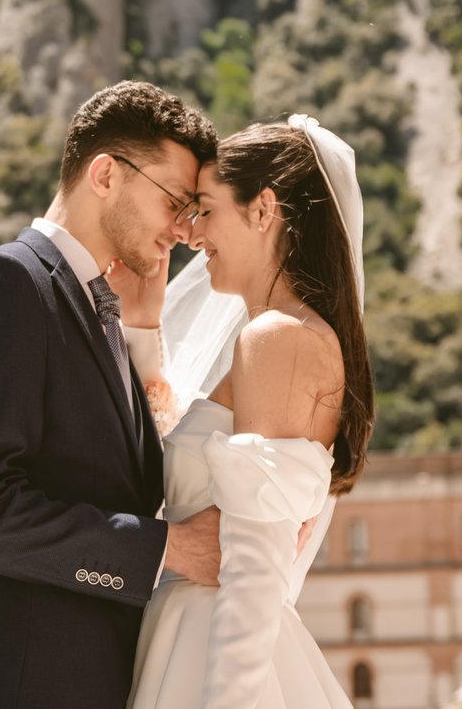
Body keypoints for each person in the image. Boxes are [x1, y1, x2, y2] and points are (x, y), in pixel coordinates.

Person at [0, 81, 224, 709]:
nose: (182, 230)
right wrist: (168, 549)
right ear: (106, 174)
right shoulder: (4, 282)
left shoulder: (103, 310)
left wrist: (143, 332)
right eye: (174, 201)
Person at [121, 115, 373, 709]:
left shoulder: (276, 340)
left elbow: (254, 571)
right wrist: (143, 327)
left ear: (263, 210)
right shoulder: (279, 337)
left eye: (206, 210)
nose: (191, 233)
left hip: (216, 654)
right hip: (193, 635)